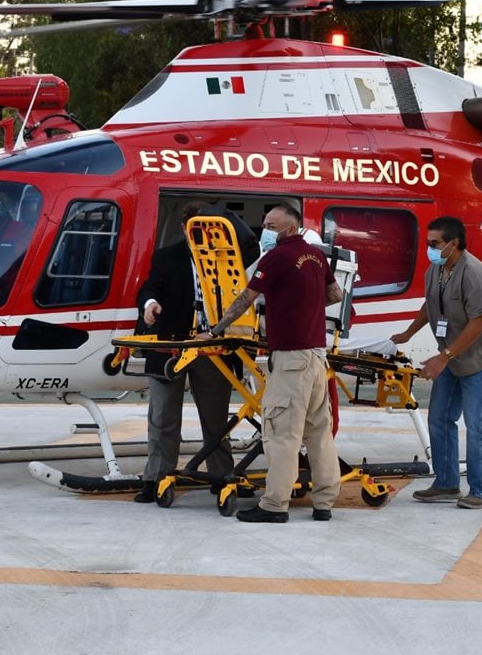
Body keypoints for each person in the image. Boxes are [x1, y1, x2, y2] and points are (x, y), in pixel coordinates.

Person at [205, 204, 344, 523]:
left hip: (291, 359)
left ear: (290, 228)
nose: (264, 231)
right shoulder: (316, 256)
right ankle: (324, 502)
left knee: (282, 432)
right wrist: (305, 306)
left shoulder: (276, 257)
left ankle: (274, 505)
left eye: (270, 225)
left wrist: (216, 329)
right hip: (316, 356)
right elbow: (335, 294)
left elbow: (245, 298)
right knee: (318, 432)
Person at [391, 216, 482, 509]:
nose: (428, 248)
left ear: (453, 244)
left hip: (478, 360)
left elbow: (479, 323)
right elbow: (430, 305)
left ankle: (481, 491)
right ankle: (446, 483)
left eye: (434, 243)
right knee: (439, 419)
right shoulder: (437, 269)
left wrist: (443, 357)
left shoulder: (475, 274)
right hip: (451, 358)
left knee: (477, 425)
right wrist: (408, 333)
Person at [132, 202, 235, 503]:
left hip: (212, 346)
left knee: (216, 418)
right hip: (171, 346)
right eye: (194, 227)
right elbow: (149, 288)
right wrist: (150, 305)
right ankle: (156, 477)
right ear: (184, 228)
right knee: (163, 417)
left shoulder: (226, 258)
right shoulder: (167, 257)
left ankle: (221, 476)